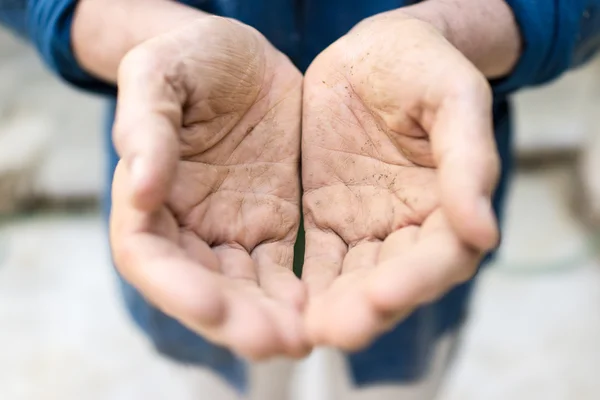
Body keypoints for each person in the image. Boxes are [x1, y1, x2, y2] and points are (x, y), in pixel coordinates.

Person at [1, 0, 599, 398]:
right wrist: (152, 40)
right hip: (194, 198)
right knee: (221, 369)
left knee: (399, 376)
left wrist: (463, 31)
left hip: (418, 189)